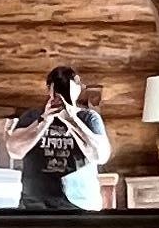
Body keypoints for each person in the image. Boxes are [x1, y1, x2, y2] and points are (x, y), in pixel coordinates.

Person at [6, 65, 111, 216]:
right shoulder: (33, 117)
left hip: (80, 205)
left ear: (78, 88)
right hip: (36, 206)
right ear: (49, 89)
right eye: (58, 87)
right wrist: (44, 121)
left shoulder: (88, 118)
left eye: (67, 86)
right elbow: (14, 151)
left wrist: (72, 120)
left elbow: (101, 156)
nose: (62, 92)